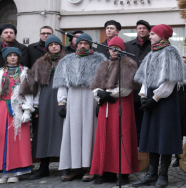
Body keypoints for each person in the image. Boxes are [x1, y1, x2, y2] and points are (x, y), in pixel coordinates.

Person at [132, 24, 186, 188]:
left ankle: (163, 175)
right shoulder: (152, 54)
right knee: (152, 135)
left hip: (165, 101)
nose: (150, 35)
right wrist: (143, 96)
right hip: (152, 100)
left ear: (162, 36)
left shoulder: (171, 54)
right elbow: (146, 79)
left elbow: (170, 82)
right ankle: (151, 174)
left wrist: (155, 98)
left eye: (153, 33)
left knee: (165, 137)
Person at [53, 33, 107, 182]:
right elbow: (62, 84)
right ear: (76, 44)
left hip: (92, 97)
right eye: (80, 43)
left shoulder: (100, 60)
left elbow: (103, 83)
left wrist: (99, 102)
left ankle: (90, 167)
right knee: (73, 132)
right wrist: (61, 103)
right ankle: (75, 167)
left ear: (90, 45)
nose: (83, 46)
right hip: (73, 99)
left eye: (86, 43)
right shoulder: (67, 61)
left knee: (91, 132)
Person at [89, 36, 139, 185]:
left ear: (122, 49)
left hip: (121, 105)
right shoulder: (104, 65)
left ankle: (123, 173)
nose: (113, 51)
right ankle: (107, 172)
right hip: (106, 105)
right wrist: (100, 93)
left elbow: (126, 88)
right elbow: (96, 86)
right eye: (111, 48)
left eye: (116, 48)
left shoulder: (128, 64)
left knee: (121, 137)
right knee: (106, 138)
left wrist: (108, 94)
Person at [19, 35, 66, 180]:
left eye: (56, 44)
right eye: (51, 45)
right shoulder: (39, 63)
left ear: (60, 46)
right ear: (47, 47)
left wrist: (65, 102)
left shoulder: (67, 61)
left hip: (62, 99)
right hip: (45, 99)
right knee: (43, 132)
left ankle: (66, 167)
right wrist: (36, 106)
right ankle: (44, 167)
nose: (54, 47)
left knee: (63, 133)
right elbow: (35, 86)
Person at [0, 48, 33, 183]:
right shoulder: (1, 72)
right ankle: (3, 172)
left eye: (15, 55)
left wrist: (27, 110)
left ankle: (16, 171)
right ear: (5, 58)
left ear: (19, 57)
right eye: (10, 55)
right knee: (2, 139)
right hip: (2, 107)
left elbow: (29, 92)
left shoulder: (25, 72)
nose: (12, 58)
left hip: (18, 108)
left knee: (17, 140)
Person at [125, 20, 152, 142]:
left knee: (148, 118)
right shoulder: (128, 45)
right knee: (134, 118)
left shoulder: (153, 45)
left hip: (149, 88)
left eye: (144, 28)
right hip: (132, 88)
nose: (141, 30)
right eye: (139, 28)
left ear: (149, 30)